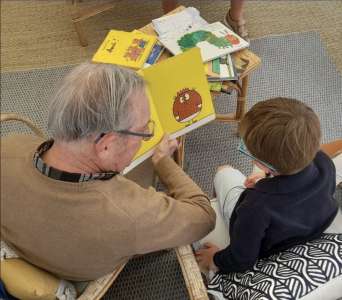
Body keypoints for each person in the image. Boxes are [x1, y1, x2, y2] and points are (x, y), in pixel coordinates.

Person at [0, 62, 216, 281]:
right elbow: (204, 216)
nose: (147, 136)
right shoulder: (130, 212)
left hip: (26, 245)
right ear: (106, 145)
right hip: (78, 270)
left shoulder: (9, 147)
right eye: (143, 131)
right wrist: (162, 160)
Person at [195, 97, 338, 273]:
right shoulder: (324, 162)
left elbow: (241, 260)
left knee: (223, 171)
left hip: (266, 246)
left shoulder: (256, 205)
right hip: (303, 228)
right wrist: (265, 177)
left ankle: (217, 212)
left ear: (262, 164)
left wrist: (215, 258)